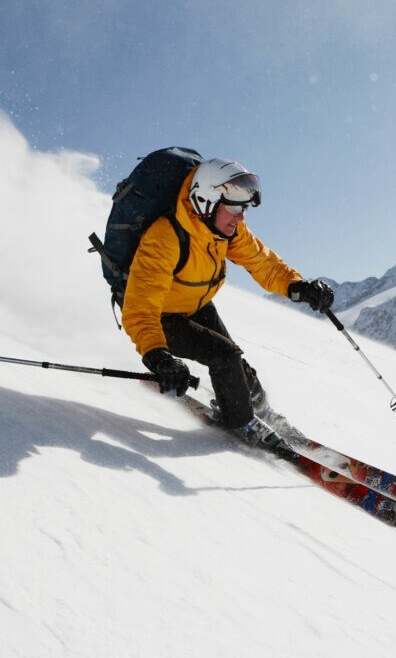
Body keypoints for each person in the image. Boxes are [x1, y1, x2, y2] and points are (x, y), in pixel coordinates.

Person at [120, 157, 334, 451]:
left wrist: (298, 287)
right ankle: (242, 422)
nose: (240, 217)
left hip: (195, 305)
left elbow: (263, 263)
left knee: (237, 364)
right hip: (160, 317)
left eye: (244, 208)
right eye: (233, 207)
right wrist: (159, 357)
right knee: (225, 356)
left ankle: (262, 410)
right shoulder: (164, 237)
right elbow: (140, 307)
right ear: (206, 200)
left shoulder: (224, 231)